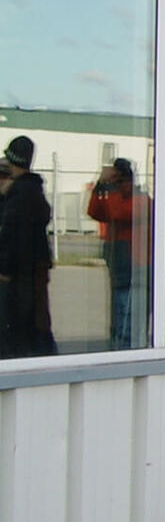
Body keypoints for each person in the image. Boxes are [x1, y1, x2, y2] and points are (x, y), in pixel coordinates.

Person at [0, 135, 58, 358]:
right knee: (37, 320)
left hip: (18, 274)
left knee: (17, 325)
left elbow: (12, 237)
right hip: (34, 271)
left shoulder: (19, 196)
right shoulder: (34, 192)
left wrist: (5, 270)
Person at [86, 157, 149, 349]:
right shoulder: (117, 200)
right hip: (119, 268)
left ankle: (127, 350)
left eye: (119, 181)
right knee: (118, 319)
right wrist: (99, 186)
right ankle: (117, 347)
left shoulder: (141, 201)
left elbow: (117, 213)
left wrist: (110, 187)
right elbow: (94, 212)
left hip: (136, 269)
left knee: (128, 319)